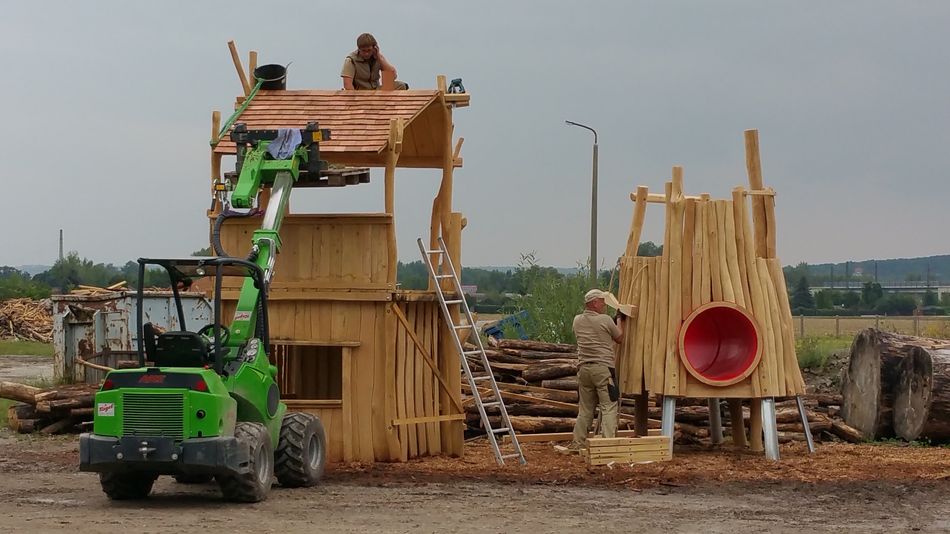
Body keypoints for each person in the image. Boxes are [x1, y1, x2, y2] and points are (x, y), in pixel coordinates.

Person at [567, 289, 625, 452]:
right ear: (593, 303)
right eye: (601, 301)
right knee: (608, 406)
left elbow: (596, 330)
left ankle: (578, 444)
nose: (604, 304)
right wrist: (619, 319)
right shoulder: (606, 320)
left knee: (585, 409)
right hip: (602, 369)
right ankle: (607, 445)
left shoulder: (577, 320)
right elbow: (619, 337)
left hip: (584, 369)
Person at [340, 33, 408, 90]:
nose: (366, 53)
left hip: (376, 91)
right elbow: (347, 85)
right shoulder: (351, 60)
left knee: (401, 85)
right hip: (360, 93)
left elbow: (391, 77)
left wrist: (379, 58)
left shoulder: (378, 57)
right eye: (363, 51)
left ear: (374, 48)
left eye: (369, 50)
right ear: (359, 49)